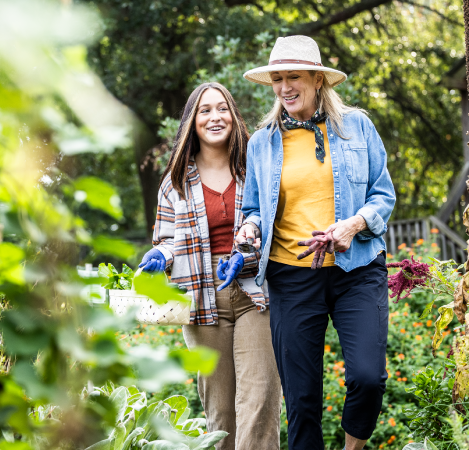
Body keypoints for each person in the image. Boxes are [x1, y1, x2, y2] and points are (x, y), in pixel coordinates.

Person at [227, 35, 396, 450]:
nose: (285, 87)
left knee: (367, 377)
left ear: (318, 80)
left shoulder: (357, 126)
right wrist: (249, 227)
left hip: (356, 269)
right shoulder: (263, 141)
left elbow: (383, 195)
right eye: (277, 79)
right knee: (302, 399)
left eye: (294, 77)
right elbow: (252, 208)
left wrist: (352, 225)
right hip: (291, 277)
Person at [138, 82, 281, 450]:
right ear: (192, 121)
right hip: (201, 299)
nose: (215, 117)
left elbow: (276, 227)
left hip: (256, 293)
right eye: (205, 110)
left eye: (222, 109)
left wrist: (246, 254)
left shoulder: (257, 169)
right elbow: (166, 241)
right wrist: (161, 257)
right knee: (221, 414)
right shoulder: (174, 182)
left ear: (233, 117)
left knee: (260, 403)